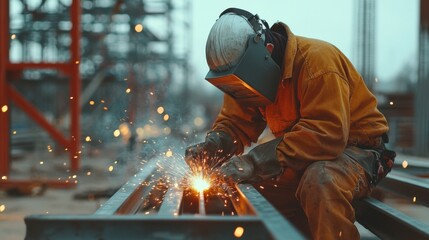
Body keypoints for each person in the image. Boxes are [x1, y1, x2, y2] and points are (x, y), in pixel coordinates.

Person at [185, 7, 396, 240]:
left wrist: (254, 161)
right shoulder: (247, 77)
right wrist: (214, 146)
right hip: (303, 154)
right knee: (249, 192)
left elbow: (327, 135)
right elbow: (236, 123)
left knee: (320, 180)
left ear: (268, 50)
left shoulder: (317, 64)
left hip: (357, 153)